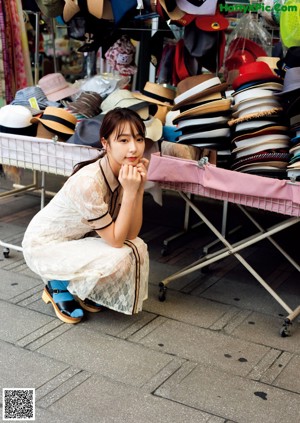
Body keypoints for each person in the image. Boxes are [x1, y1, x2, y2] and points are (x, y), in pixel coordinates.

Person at [22, 108, 149, 324]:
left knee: (134, 246)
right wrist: (130, 191)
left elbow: (131, 233)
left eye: (139, 139)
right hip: (44, 245)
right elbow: (117, 241)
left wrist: (138, 189)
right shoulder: (88, 182)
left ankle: (82, 287)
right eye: (124, 140)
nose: (134, 148)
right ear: (105, 143)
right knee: (118, 255)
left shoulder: (122, 171)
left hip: (77, 239)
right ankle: (57, 284)